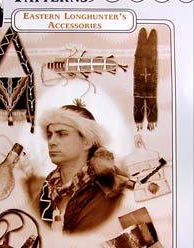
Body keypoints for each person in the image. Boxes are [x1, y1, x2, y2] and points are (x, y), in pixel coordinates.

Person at [24, 99, 129, 233]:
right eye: (49, 135)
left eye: (62, 134)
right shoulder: (46, 191)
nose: (51, 142)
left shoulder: (110, 190)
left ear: (87, 142)